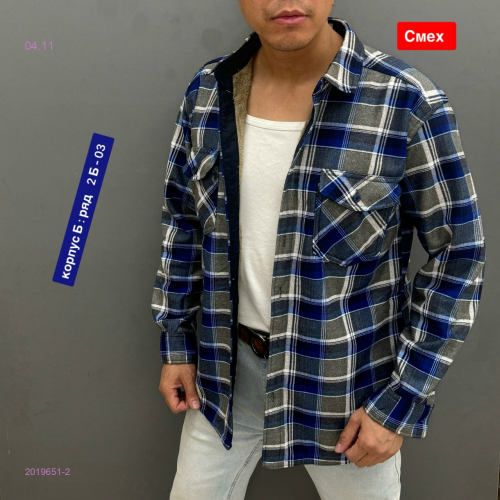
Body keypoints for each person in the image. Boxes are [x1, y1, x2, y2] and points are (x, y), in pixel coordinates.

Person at [151, 2, 486, 498]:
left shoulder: (406, 100)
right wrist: (177, 341)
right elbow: (182, 222)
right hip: (224, 377)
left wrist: (401, 400)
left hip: (347, 394)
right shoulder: (207, 92)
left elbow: (459, 256)